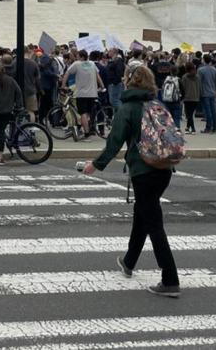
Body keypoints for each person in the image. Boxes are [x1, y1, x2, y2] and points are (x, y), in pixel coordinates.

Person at [85, 65, 180, 298]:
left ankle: (170, 279)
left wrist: (96, 164)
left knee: (154, 223)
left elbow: (115, 141)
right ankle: (129, 261)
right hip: (164, 168)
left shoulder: (127, 108)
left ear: (129, 82)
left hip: (143, 170)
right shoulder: (158, 106)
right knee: (143, 213)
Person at [63, 49, 105, 139]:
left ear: (81, 57)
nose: (76, 57)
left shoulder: (77, 64)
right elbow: (98, 76)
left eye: (78, 56)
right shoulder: (92, 64)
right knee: (88, 113)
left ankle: (86, 132)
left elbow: (67, 73)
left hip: (81, 93)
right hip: (92, 93)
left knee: (83, 113)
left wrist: (63, 85)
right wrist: (102, 87)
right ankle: (87, 128)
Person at [196, 55, 216, 134]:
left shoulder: (201, 70)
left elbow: (198, 82)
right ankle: (215, 127)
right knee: (213, 110)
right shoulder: (214, 69)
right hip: (212, 92)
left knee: (207, 111)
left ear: (203, 60)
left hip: (204, 92)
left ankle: (208, 127)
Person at [180, 62, 200, 135]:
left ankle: (193, 128)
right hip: (196, 97)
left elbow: (183, 88)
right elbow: (199, 87)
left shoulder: (185, 77)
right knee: (191, 113)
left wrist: (182, 97)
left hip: (187, 97)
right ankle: (188, 127)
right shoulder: (197, 77)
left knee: (189, 114)